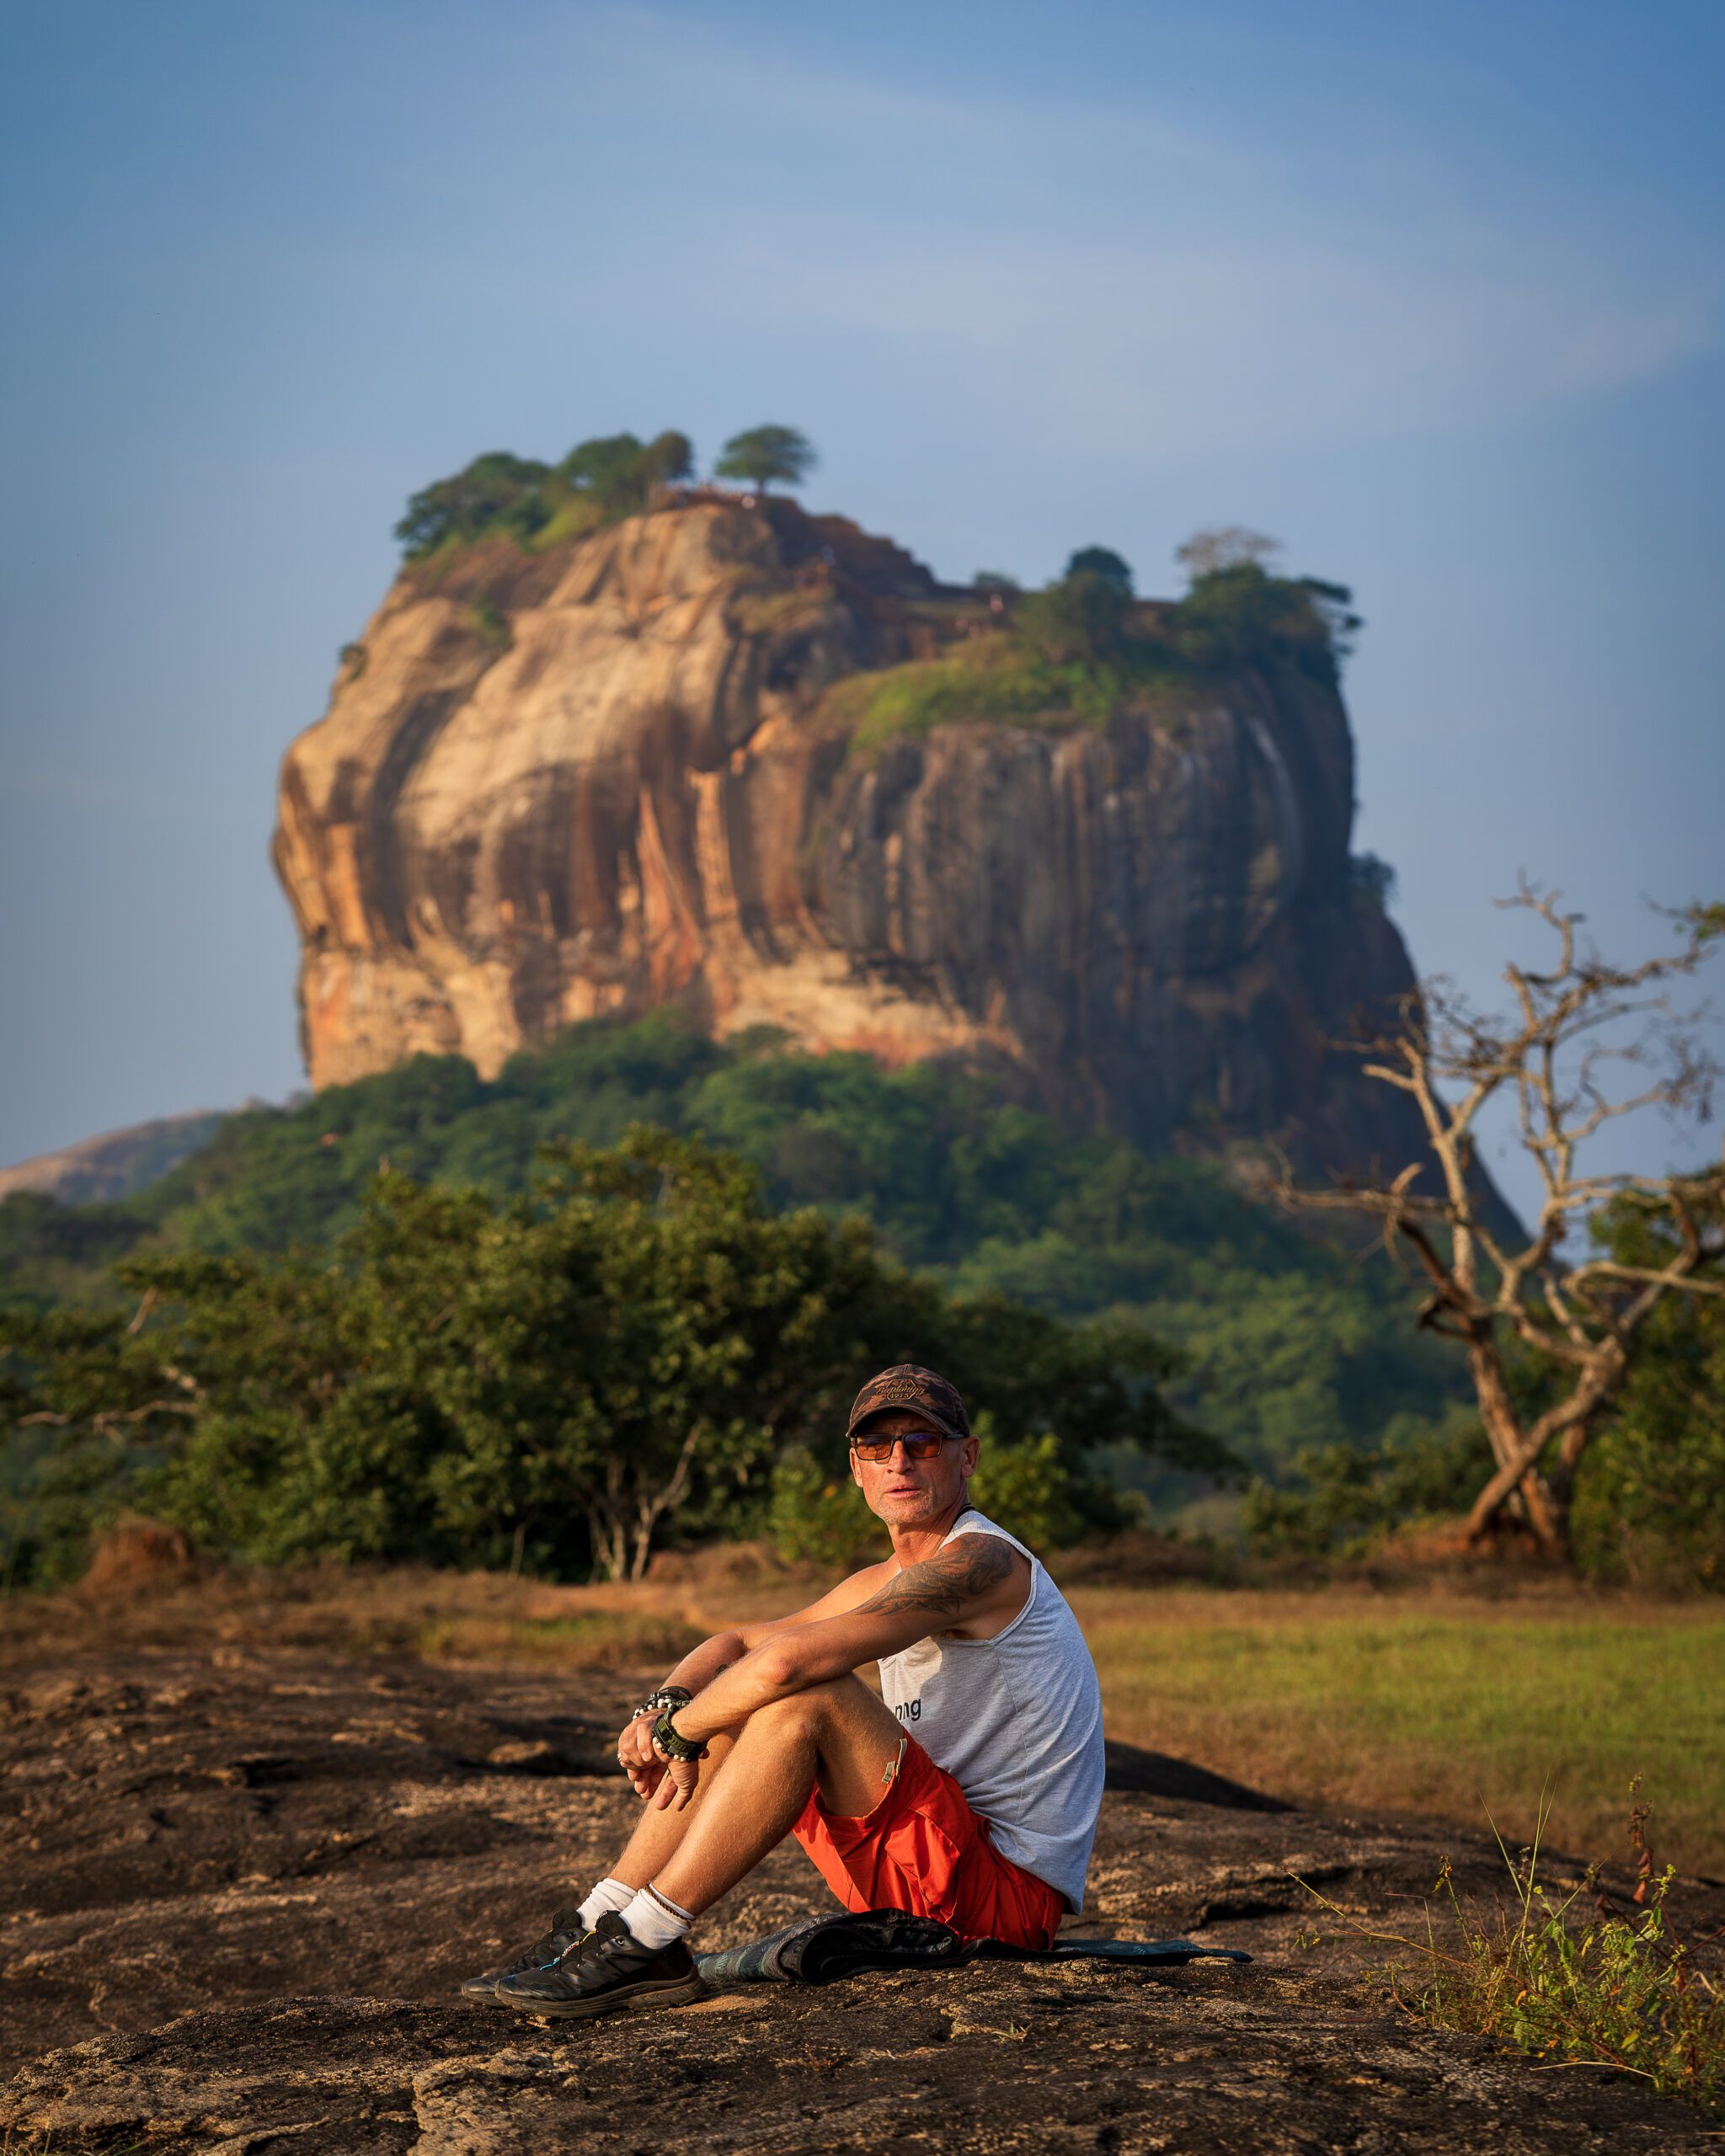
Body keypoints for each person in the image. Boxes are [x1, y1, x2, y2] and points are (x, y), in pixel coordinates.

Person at [464, 1364, 1105, 2022]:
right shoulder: (886, 1578)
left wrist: (677, 1735)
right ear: (856, 1469)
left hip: (1000, 1903)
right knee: (741, 1697)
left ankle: (651, 1938)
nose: (899, 1461)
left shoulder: (984, 1562)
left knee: (806, 1696)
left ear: (966, 1456)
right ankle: (598, 1920)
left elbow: (785, 1667)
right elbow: (739, 1643)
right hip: (926, 1871)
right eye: (876, 1447)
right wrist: (666, 1701)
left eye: (924, 1442)